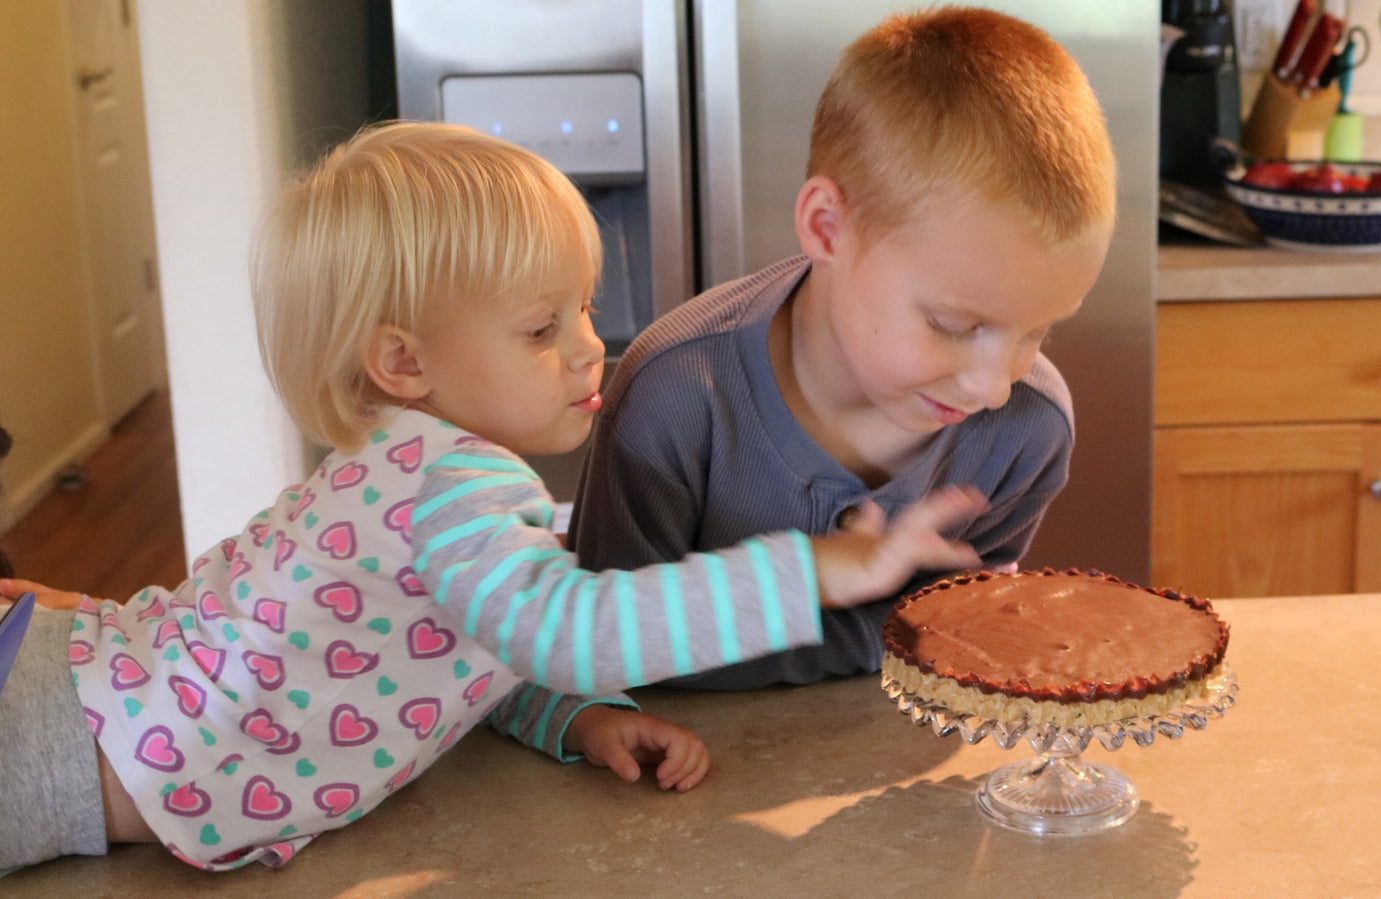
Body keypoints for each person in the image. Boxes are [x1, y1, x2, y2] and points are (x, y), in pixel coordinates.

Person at [0, 121, 986, 874]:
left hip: (74, 696)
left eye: (585, 308)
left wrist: (576, 718)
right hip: (57, 738)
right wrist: (818, 565)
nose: (588, 344)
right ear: (403, 359)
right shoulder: (451, 482)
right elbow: (570, 625)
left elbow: (438, 643)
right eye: (538, 327)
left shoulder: (408, 468)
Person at [564, 7, 1118, 689]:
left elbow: (963, 636)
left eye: (1038, 330)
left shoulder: (1028, 429)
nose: (993, 386)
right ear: (827, 228)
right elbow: (595, 652)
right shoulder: (673, 399)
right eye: (951, 323)